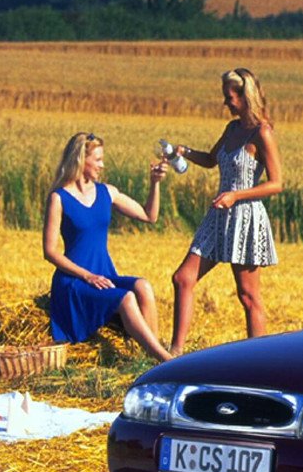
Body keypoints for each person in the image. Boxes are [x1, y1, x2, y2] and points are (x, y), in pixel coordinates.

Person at [170, 67, 283, 356]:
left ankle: (256, 359)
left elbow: (276, 183)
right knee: (183, 278)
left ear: (245, 97)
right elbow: (210, 159)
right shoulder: (232, 129)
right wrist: (183, 152)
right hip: (218, 215)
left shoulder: (262, 132)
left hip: (245, 217)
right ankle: (174, 352)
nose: (226, 103)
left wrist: (236, 195)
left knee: (248, 296)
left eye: (229, 97)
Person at [42, 132, 172, 362]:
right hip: (74, 282)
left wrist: (155, 184)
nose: (102, 165)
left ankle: (150, 355)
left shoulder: (107, 192)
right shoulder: (59, 198)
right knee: (127, 299)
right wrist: (87, 276)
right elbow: (50, 251)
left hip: (103, 274)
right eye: (98, 159)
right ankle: (165, 360)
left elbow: (148, 215)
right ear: (81, 160)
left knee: (143, 286)